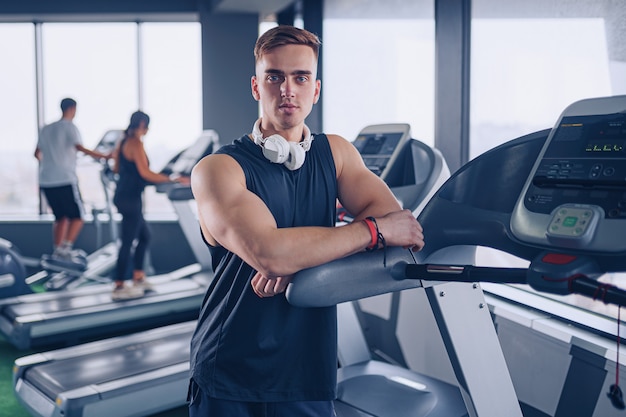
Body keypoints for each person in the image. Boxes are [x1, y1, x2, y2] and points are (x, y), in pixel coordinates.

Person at [188, 25, 425, 417]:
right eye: (274, 77)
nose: (288, 90)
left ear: (315, 90)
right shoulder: (218, 169)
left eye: (301, 78)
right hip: (230, 370)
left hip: (308, 369)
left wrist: (300, 260)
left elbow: (396, 220)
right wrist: (369, 233)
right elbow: (271, 253)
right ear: (255, 87)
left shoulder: (337, 153)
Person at [110, 110, 190, 301]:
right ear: (142, 125)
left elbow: (116, 168)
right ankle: (119, 285)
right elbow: (145, 173)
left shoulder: (123, 140)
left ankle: (138, 277)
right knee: (128, 241)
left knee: (145, 236)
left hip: (124, 195)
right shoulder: (135, 142)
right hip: (130, 198)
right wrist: (171, 179)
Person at [34, 97, 111, 260]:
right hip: (64, 178)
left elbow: (37, 154)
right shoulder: (70, 127)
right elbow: (80, 147)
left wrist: (51, 162)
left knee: (60, 217)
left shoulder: (46, 129)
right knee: (78, 216)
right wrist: (104, 155)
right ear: (72, 109)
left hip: (46, 179)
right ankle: (66, 248)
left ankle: (58, 250)